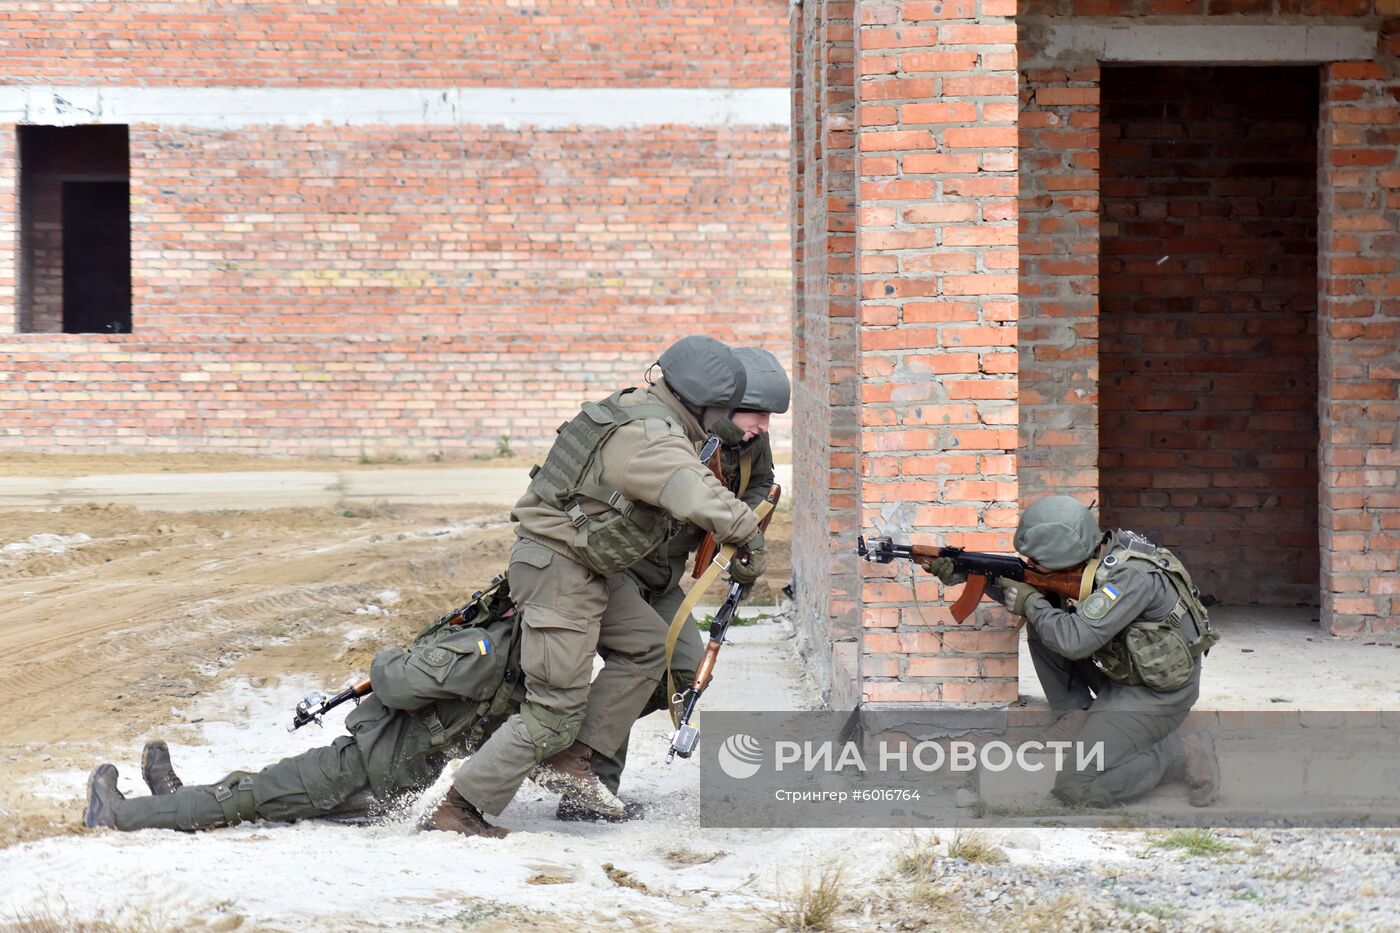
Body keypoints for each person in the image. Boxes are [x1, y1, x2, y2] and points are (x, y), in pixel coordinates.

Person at [427, 336, 767, 837]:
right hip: (558, 570)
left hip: (588, 568)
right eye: (720, 408)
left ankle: (571, 757)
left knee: (650, 648)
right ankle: (458, 809)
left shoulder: (642, 409)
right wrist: (749, 535)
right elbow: (694, 491)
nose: (723, 417)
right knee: (553, 705)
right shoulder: (652, 435)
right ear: (700, 400)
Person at [83, 582, 523, 833]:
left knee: (245, 795)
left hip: (367, 767)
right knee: (257, 790)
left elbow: (398, 684)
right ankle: (177, 800)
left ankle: (116, 814)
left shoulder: (485, 649)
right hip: (398, 774)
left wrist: (391, 656)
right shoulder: (522, 654)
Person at [570, 347, 789, 821]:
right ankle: (585, 786)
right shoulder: (670, 431)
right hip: (618, 566)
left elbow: (762, 483)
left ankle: (576, 751)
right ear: (721, 404)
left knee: (681, 676)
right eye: (758, 414)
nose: (765, 426)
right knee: (641, 664)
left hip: (666, 573)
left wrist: (741, 530)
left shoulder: (748, 441)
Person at [921, 495, 1221, 808]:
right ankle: (1076, 714)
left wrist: (1031, 602)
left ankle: (1180, 751)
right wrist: (973, 576)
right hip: (1125, 671)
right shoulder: (1096, 557)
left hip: (1155, 693)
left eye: (1037, 562)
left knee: (1076, 787)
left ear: (1066, 555)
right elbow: (1030, 592)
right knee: (1045, 614)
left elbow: (1074, 640)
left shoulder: (1131, 576)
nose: (1030, 567)